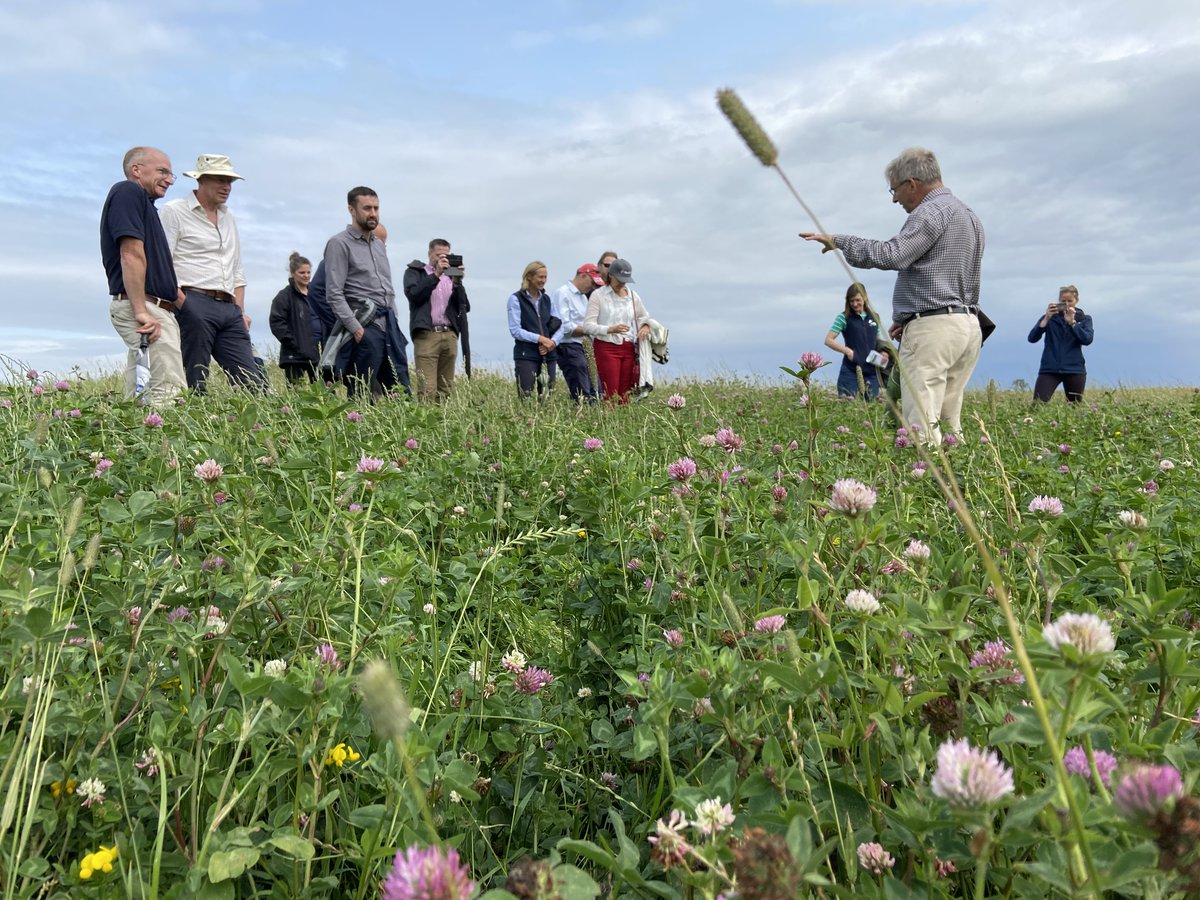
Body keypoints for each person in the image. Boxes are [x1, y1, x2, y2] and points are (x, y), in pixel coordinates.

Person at [801, 147, 984, 445]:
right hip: (967, 325)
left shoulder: (931, 211)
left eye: (895, 190)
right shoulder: (969, 215)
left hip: (934, 330)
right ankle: (960, 483)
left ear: (911, 183)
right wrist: (910, 318)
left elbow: (894, 254)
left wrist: (841, 241)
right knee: (950, 420)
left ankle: (926, 484)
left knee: (922, 419)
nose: (894, 199)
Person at [159, 154, 265, 393]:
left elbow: (236, 267)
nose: (226, 187)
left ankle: (252, 426)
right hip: (193, 299)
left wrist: (239, 310)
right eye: (220, 180)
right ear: (201, 180)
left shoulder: (229, 218)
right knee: (194, 377)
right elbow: (162, 261)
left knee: (252, 381)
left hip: (229, 308)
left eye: (230, 182)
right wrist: (182, 302)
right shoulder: (174, 211)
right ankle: (194, 424)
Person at [101, 146, 187, 405]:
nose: (170, 180)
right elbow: (131, 254)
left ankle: (131, 439)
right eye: (163, 171)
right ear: (136, 170)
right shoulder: (128, 192)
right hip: (145, 307)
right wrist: (141, 310)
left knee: (139, 394)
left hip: (152, 305)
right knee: (168, 390)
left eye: (172, 175)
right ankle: (169, 445)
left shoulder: (147, 206)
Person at [323, 188, 410, 398]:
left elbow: (388, 289)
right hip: (364, 325)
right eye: (367, 208)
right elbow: (334, 293)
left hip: (388, 325)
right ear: (351, 210)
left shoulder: (379, 245)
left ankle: (405, 430)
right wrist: (356, 329)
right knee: (363, 392)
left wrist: (395, 320)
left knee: (402, 391)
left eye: (376, 208)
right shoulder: (339, 243)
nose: (373, 213)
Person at [404, 239, 470, 401]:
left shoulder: (451, 279)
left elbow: (465, 306)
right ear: (429, 254)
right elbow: (414, 295)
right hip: (427, 334)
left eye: (446, 255)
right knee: (427, 389)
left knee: (445, 388)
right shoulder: (416, 272)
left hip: (449, 334)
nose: (443, 259)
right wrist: (436, 275)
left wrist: (457, 282)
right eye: (438, 255)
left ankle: (443, 424)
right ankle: (425, 424)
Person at [581, 258, 651, 401]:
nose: (622, 283)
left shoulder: (633, 296)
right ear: (611, 275)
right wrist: (610, 329)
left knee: (625, 394)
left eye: (625, 280)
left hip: (629, 348)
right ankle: (608, 421)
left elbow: (644, 317)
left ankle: (622, 422)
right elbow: (588, 326)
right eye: (619, 279)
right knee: (610, 392)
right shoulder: (598, 295)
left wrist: (645, 326)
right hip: (606, 347)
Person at [1028, 284, 1094, 403]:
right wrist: (1046, 319)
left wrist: (1073, 324)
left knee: (1074, 408)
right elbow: (1032, 338)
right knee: (1038, 405)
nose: (1067, 304)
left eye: (1070, 301)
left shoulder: (1084, 319)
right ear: (1059, 301)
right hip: (1049, 369)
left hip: (1074, 369)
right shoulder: (1050, 317)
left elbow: (1087, 340)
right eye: (1063, 301)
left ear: (1076, 301)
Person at [507, 261, 563, 398]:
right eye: (540, 277)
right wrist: (540, 339)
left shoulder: (547, 300)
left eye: (545, 277)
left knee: (547, 397)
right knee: (526, 397)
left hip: (549, 356)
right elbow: (515, 330)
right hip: (527, 355)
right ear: (529, 277)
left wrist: (552, 343)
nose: (543, 280)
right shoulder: (515, 299)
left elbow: (560, 325)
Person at [551, 263, 605, 403]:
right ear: (583, 275)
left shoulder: (582, 297)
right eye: (592, 283)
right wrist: (590, 329)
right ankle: (582, 414)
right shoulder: (562, 293)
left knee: (597, 390)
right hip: (569, 347)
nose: (592, 287)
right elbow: (565, 326)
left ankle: (593, 417)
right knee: (582, 392)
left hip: (584, 345)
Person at [824, 282, 889, 399]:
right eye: (851, 301)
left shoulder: (875, 317)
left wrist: (883, 353)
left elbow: (877, 340)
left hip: (871, 372)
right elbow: (829, 340)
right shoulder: (843, 318)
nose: (854, 304)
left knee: (871, 410)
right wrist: (847, 351)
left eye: (857, 300)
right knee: (846, 407)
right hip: (850, 371)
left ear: (865, 298)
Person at [269, 252, 321, 383]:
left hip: (317, 352)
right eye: (302, 273)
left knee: (325, 393)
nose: (306, 276)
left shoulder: (316, 294)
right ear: (293, 273)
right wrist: (293, 343)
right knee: (296, 393)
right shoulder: (284, 296)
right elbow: (276, 322)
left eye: (308, 272)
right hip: (295, 355)